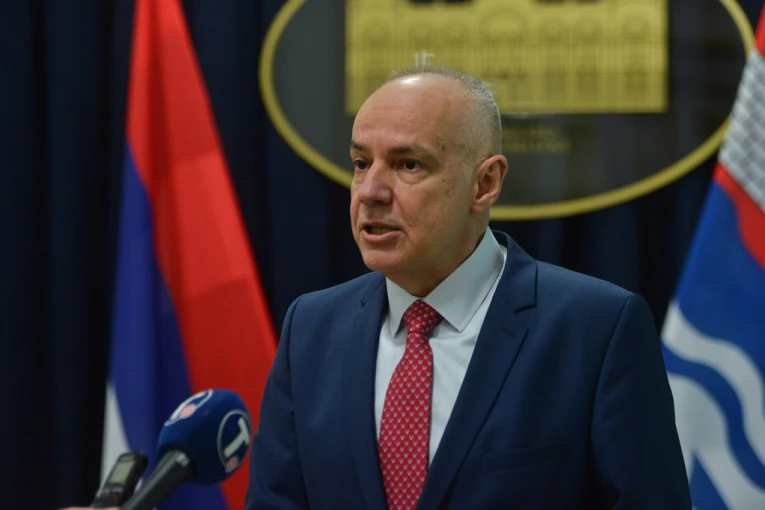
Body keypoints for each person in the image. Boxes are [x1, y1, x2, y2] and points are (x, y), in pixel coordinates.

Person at [244, 66, 691, 510]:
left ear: (485, 184)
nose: (370, 191)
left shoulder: (596, 330)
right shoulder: (311, 329)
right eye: (362, 164)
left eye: (408, 164)